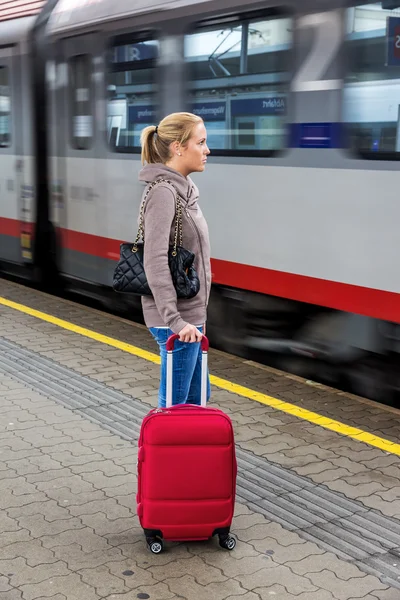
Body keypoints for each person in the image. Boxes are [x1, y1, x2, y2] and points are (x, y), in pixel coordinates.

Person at [139, 112, 211, 408]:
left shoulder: (184, 192)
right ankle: (159, 455)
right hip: (178, 321)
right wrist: (175, 320)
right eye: (201, 142)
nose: (207, 150)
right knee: (174, 407)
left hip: (191, 317)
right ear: (178, 147)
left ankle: (188, 456)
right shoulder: (163, 194)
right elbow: (154, 259)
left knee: (196, 402)